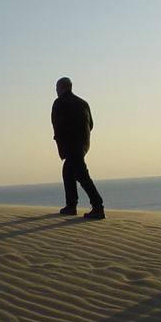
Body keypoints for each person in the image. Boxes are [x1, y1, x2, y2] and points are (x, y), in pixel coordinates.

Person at [51, 77, 105, 219]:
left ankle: (97, 206)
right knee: (69, 173)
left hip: (71, 145)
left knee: (81, 175)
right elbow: (91, 125)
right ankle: (72, 206)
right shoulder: (83, 103)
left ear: (62, 88)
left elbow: (57, 124)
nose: (56, 91)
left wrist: (60, 139)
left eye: (57, 88)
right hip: (82, 144)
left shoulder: (60, 102)